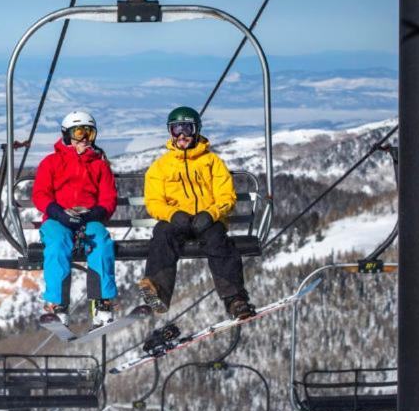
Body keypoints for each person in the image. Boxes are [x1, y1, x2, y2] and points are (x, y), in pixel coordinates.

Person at [137, 106, 256, 320]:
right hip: (177, 221)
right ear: (170, 132)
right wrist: (173, 214)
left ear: (197, 130)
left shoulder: (212, 162)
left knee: (219, 242)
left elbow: (226, 196)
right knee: (162, 235)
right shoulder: (161, 167)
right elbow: (154, 201)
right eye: (176, 130)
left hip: (206, 221)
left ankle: (235, 299)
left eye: (187, 129)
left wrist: (211, 214)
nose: (182, 135)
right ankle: (157, 293)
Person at [32, 110, 118, 329]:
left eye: (90, 132)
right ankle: (58, 304)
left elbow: (108, 198)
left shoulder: (99, 165)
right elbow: (40, 194)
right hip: (57, 218)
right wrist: (59, 213)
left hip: (88, 217)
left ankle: (102, 302)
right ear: (67, 135)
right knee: (58, 244)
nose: (85, 138)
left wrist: (94, 214)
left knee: (100, 239)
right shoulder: (51, 163)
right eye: (79, 132)